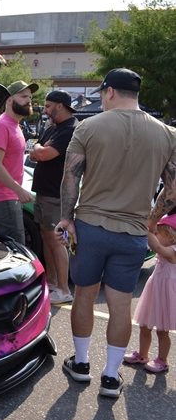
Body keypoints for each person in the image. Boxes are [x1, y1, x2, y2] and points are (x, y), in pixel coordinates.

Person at [57, 68, 176, 398]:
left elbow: (70, 178)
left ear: (109, 92)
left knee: (84, 294)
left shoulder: (88, 127)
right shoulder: (167, 134)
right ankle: (110, 376)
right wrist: (151, 220)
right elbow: (174, 186)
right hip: (134, 233)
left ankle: (81, 364)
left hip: (91, 228)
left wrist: (66, 219)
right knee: (120, 304)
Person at [29, 90, 78, 305]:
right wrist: (39, 148)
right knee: (47, 238)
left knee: (57, 241)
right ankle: (52, 282)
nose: (46, 110)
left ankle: (64, 289)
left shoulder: (70, 129)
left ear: (60, 105)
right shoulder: (53, 129)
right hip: (43, 193)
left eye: (49, 106)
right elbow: (34, 150)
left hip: (55, 195)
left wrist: (39, 149)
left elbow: (42, 154)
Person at [123, 214, 176, 374]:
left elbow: (158, 248)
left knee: (162, 330)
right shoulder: (165, 245)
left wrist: (147, 229)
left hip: (167, 292)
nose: (156, 235)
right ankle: (142, 354)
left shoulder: (173, 250)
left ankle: (162, 360)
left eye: (159, 233)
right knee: (144, 325)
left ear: (171, 236)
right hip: (155, 288)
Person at [0, 80, 37, 244]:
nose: (28, 101)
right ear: (9, 100)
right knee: (17, 246)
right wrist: (19, 190)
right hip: (3, 196)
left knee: (13, 246)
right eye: (23, 96)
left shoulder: (15, 125)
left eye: (30, 97)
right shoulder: (1, 125)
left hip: (9, 195)